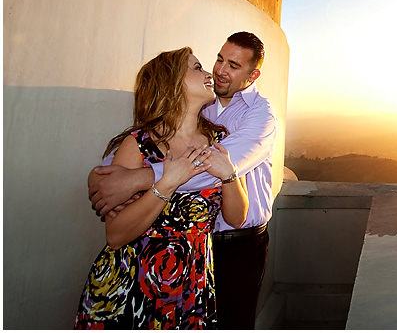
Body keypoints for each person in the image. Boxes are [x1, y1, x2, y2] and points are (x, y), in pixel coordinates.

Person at [88, 32, 277, 329]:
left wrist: (143, 179)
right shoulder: (194, 115)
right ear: (173, 84)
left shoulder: (257, 116)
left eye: (233, 65)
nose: (218, 71)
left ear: (252, 75)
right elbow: (111, 179)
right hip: (138, 278)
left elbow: (225, 169)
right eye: (217, 60)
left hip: (234, 250)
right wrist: (106, 183)